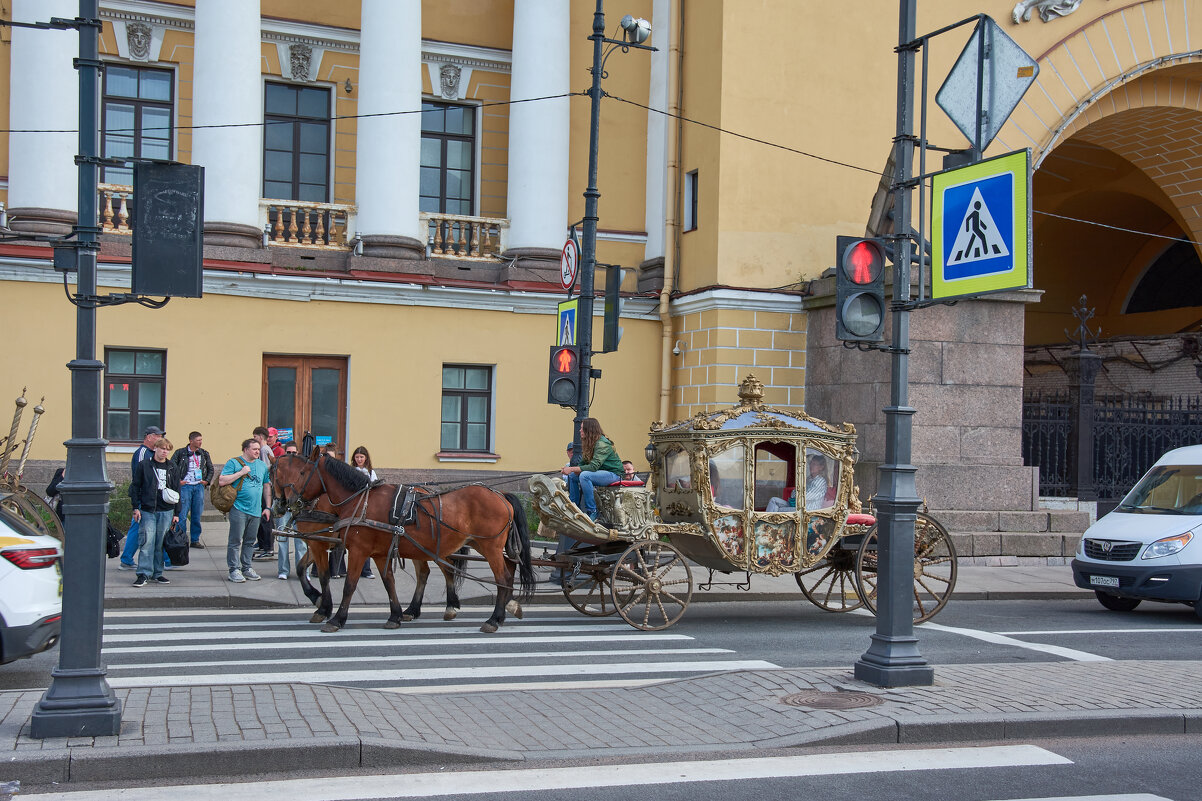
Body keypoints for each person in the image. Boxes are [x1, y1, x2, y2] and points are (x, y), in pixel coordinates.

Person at [128, 436, 181, 587]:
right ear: (155, 449)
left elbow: (177, 490)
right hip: (148, 509)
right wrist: (135, 507)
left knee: (160, 543)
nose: (164, 452)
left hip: (167, 510)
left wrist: (177, 513)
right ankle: (143, 573)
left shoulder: (172, 467)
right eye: (162, 448)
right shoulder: (145, 465)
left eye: (167, 450)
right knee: (146, 542)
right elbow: (135, 486)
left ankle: (157, 573)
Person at [220, 438, 272, 583]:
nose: (257, 451)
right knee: (235, 541)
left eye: (258, 449)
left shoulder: (262, 466)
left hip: (256, 510)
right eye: (254, 449)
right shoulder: (234, 462)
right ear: (245, 450)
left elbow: (267, 486)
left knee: (249, 541)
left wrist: (267, 507)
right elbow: (222, 480)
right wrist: (241, 473)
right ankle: (234, 569)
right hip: (239, 508)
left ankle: (247, 567)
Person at [119, 425, 164, 570]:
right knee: (137, 526)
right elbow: (140, 476)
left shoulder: (152, 452)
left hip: (151, 497)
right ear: (149, 437)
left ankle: (128, 559)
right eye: (158, 436)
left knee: (143, 527)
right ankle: (126, 559)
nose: (160, 439)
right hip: (142, 497)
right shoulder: (142, 453)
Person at [561, 418, 622, 521]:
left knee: (584, 476)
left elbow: (593, 467)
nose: (579, 431)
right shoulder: (590, 442)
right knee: (572, 476)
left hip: (614, 474)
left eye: (582, 428)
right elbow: (583, 463)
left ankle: (592, 511)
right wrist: (570, 470)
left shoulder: (602, 443)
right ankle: (574, 507)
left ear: (589, 430)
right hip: (602, 473)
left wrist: (571, 468)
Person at [170, 431, 213, 549]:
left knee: (196, 514)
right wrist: (178, 481)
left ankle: (195, 539)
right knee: (182, 514)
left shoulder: (204, 453)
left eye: (201, 440)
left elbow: (210, 468)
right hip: (185, 486)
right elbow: (171, 467)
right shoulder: (180, 453)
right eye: (198, 440)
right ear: (191, 441)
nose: (200, 442)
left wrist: (207, 481)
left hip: (198, 486)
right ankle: (181, 539)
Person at [252, 427, 276, 560]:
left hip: (265, 488)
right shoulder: (263, 449)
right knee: (261, 517)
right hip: (261, 487)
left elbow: (267, 469)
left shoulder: (264, 450)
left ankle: (268, 547)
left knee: (266, 518)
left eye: (255, 437)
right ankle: (261, 543)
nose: (254, 440)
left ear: (261, 437)